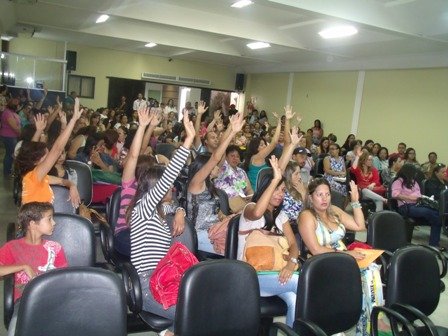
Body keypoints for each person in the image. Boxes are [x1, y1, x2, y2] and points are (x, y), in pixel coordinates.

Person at [128, 111, 195, 336]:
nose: (171, 188)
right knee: (196, 314)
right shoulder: (143, 209)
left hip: (168, 278)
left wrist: (180, 211)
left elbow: (176, 205)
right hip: (148, 285)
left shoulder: (160, 210)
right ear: (155, 188)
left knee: (203, 308)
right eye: (166, 187)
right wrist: (187, 141)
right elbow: (168, 178)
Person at [238, 156, 300, 328]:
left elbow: (294, 245)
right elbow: (258, 212)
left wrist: (291, 263)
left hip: (278, 272)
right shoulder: (249, 210)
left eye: (282, 191)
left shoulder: (281, 216)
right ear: (266, 189)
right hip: (251, 275)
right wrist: (275, 179)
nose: (280, 194)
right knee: (303, 283)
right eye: (276, 190)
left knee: (295, 300)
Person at [115, 108, 185, 257]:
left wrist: (179, 211)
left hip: (147, 233)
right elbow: (135, 155)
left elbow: (171, 205)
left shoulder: (154, 188)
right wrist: (142, 126)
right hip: (125, 233)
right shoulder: (130, 185)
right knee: (160, 250)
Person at [0, 202, 68, 336]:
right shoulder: (12, 247)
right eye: (49, 219)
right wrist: (23, 266)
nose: (54, 223)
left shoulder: (55, 248)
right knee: (16, 331)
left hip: (52, 298)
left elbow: (64, 279)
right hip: (25, 301)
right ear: (32, 224)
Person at [187, 112, 245, 253]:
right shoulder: (196, 184)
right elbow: (215, 157)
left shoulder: (211, 186)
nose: (218, 166)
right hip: (200, 235)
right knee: (238, 249)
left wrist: (227, 219)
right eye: (213, 165)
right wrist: (232, 132)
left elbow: (216, 215)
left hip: (215, 231)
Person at [16, 99, 82, 206]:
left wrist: (72, 186)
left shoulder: (41, 177)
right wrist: (73, 120)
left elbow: (62, 181)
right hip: (36, 221)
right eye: (46, 156)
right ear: (37, 161)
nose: (50, 158)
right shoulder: (34, 176)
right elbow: (57, 149)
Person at [392, 164, 443, 249]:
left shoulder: (414, 182)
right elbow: (394, 194)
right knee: (429, 212)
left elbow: (418, 193)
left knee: (437, 215)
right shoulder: (398, 181)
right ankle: (433, 244)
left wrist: (418, 197)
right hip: (405, 206)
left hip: (417, 204)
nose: (415, 174)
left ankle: (434, 244)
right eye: (414, 172)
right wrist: (410, 197)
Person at [214, 145, 254, 213]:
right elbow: (221, 150)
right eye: (232, 156)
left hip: (242, 202)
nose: (235, 158)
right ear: (226, 157)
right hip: (228, 203)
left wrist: (250, 197)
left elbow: (249, 189)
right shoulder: (222, 168)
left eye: (237, 156)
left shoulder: (241, 172)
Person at [0, 98, 21, 177]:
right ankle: (7, 172)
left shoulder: (12, 112)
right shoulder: (7, 113)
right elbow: (15, 127)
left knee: (10, 154)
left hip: (12, 136)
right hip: (9, 137)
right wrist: (20, 134)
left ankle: (8, 170)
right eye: (18, 105)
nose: (19, 106)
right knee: (10, 154)